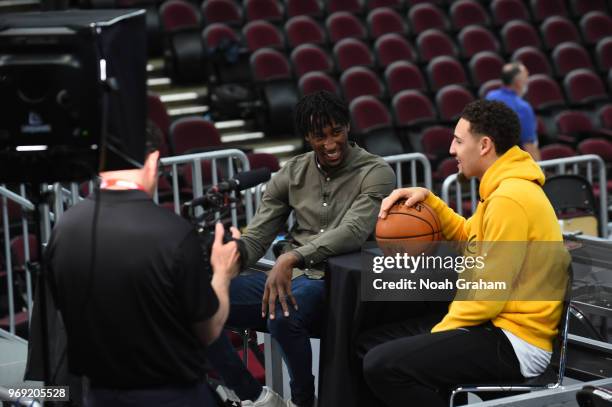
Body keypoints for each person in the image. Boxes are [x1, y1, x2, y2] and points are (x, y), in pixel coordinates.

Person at [359, 100, 569, 407]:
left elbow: (487, 297)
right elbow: (468, 236)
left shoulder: (509, 198)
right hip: (496, 327)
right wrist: (430, 201)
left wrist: (439, 332)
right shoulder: (502, 190)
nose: (451, 150)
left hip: (515, 341)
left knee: (382, 364)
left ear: (484, 145)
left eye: (459, 140)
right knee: (369, 344)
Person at [207, 90, 396, 407]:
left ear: (348, 126)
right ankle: (254, 396)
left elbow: (352, 231)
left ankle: (304, 401)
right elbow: (258, 236)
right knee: (201, 302)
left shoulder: (376, 172)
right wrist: (228, 260)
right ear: (307, 136)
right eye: (319, 136)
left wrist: (293, 257)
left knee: (282, 313)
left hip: (335, 278)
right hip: (290, 277)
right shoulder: (290, 173)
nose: (330, 143)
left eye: (336, 132)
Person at [45, 124, 242, 406]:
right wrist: (222, 272)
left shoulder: (63, 228)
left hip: (99, 396)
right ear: (152, 160)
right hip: (171, 396)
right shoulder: (172, 232)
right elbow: (208, 330)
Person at [486, 62, 540, 161]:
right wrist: (541, 171)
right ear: (519, 82)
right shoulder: (523, 107)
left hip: (489, 159)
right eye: (526, 77)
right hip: (512, 162)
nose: (528, 81)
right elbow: (529, 145)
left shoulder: (490, 96)